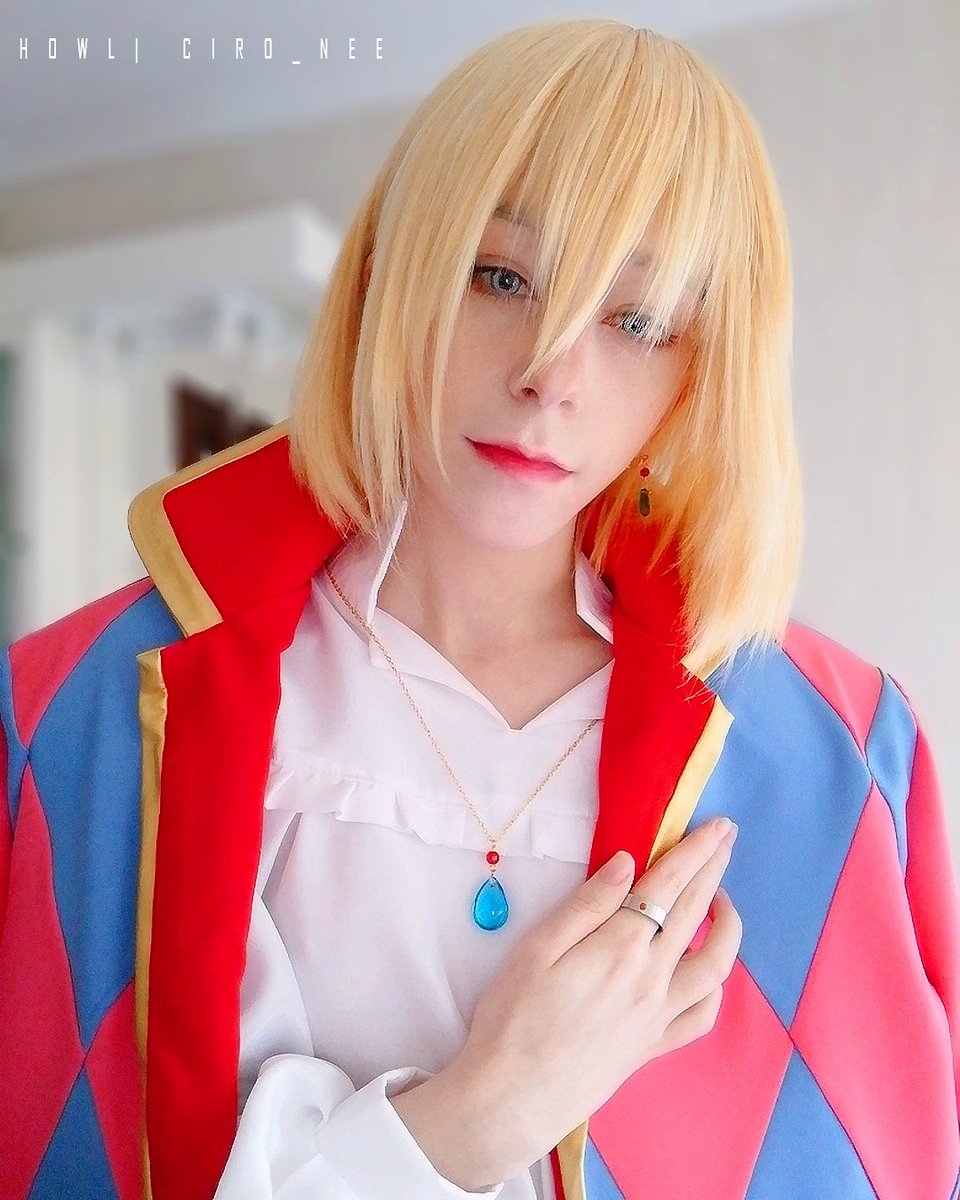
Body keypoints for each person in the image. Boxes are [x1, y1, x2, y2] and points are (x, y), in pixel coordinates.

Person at [0, 16, 957, 1200]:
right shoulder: (64, 717)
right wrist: (485, 1110)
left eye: (638, 321)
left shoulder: (841, 759)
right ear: (389, 274)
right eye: (502, 277)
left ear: (706, 366)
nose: (551, 375)